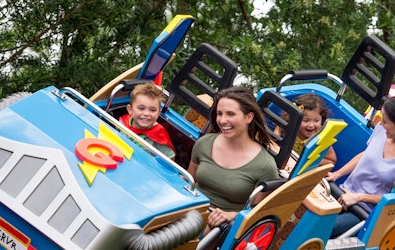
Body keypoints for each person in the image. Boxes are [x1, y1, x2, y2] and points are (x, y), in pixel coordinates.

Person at [188, 87, 279, 232]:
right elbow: (187, 181)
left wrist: (231, 215)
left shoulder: (265, 165)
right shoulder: (204, 143)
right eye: (219, 114)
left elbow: (257, 215)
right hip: (190, 208)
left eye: (230, 114)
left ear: (249, 117)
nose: (223, 120)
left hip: (220, 226)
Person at [326, 95, 395, 237]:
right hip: (344, 191)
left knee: (328, 227)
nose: (381, 124)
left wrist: (359, 197)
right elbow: (365, 154)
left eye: (385, 121)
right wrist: (336, 174)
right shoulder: (382, 131)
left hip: (364, 210)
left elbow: (391, 200)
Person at [120, 82, 175, 159]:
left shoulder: (160, 134)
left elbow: (170, 160)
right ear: (130, 109)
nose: (146, 114)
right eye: (141, 108)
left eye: (152, 110)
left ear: (158, 113)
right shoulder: (122, 122)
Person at [279, 93, 337, 166]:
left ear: (322, 119)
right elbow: (277, 131)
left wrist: (309, 162)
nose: (311, 125)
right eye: (306, 120)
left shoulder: (321, 137)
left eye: (316, 120)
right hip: (286, 161)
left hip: (303, 168)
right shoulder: (290, 125)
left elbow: (331, 161)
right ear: (295, 117)